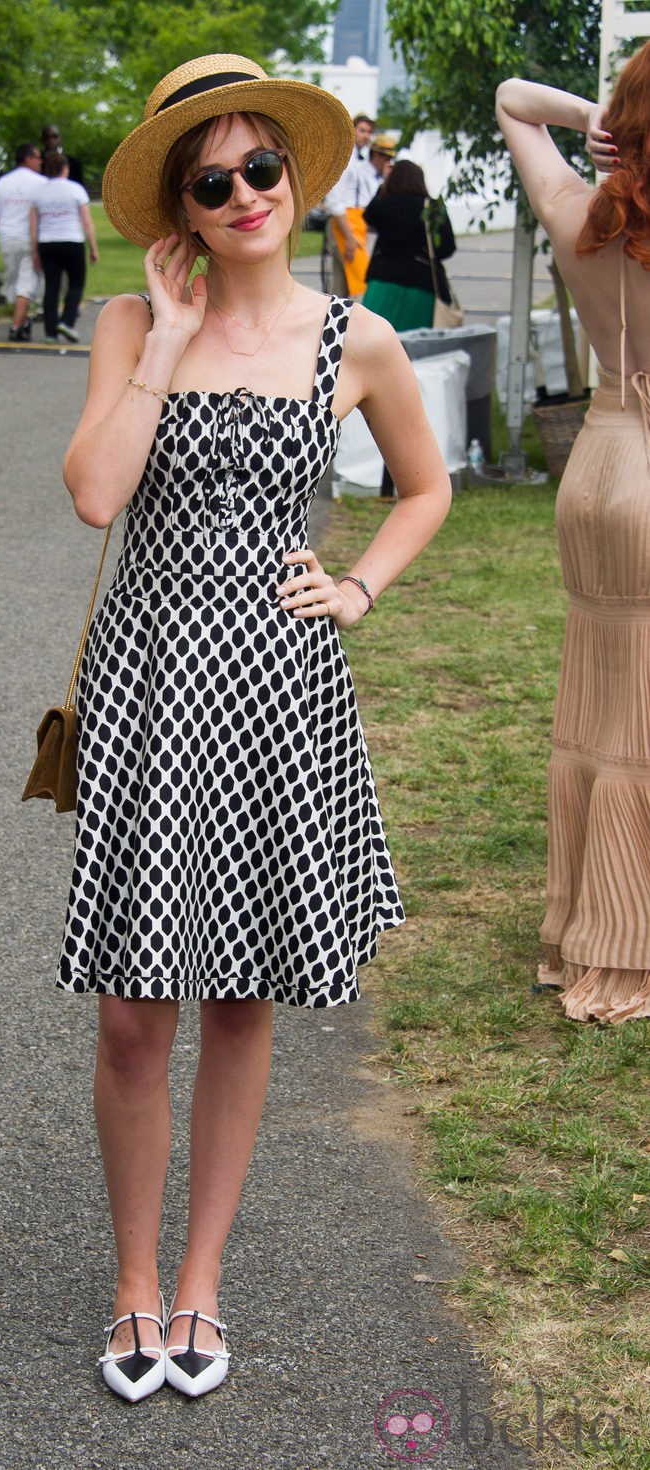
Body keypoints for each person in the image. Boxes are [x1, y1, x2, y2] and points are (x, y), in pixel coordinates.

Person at [53, 53, 452, 1401]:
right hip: (153, 684)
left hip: (279, 689)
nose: (241, 193)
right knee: (129, 1014)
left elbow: (425, 486)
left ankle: (204, 1278)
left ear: (296, 177)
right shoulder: (124, 322)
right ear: (181, 202)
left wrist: (357, 585)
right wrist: (166, 342)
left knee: (236, 996)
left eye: (259, 168)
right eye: (210, 178)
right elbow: (97, 495)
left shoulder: (358, 340)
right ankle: (131, 1283)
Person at [496, 54, 650, 1024]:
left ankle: (577, 929)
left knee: (601, 695)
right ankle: (629, 939)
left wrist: (589, 116)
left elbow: (511, 101)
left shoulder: (571, 213)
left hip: (594, 465)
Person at [363, 160, 456, 331]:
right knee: (416, 346)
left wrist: (383, 183)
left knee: (372, 338)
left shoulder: (383, 204)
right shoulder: (432, 207)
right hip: (420, 282)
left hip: (383, 280)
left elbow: (368, 217)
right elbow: (447, 248)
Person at [30, 152, 97, 342]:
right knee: (76, 283)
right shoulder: (76, 190)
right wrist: (93, 248)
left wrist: (35, 251)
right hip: (72, 241)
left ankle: (51, 331)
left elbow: (33, 225)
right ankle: (67, 321)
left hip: (47, 243)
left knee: (51, 286)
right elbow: (87, 222)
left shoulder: (38, 193)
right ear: (65, 168)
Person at [0, 144, 47, 341]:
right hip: (30, 239)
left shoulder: (2, 183)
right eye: (37, 157)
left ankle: (21, 320)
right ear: (27, 158)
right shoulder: (42, 183)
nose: (40, 161)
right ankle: (17, 325)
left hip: (8, 239)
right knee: (26, 284)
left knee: (14, 281)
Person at [319, 113, 376, 296]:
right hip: (344, 222)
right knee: (362, 280)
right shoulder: (344, 158)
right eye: (362, 131)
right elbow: (334, 200)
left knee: (343, 283)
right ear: (352, 130)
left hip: (356, 220)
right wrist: (349, 236)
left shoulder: (360, 160)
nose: (366, 136)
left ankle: (338, 321)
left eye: (369, 132)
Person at [41, 123, 85, 188]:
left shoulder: (74, 163)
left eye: (54, 136)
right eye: (47, 137)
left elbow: (79, 187)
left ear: (60, 138)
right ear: (43, 140)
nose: (51, 140)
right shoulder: (37, 162)